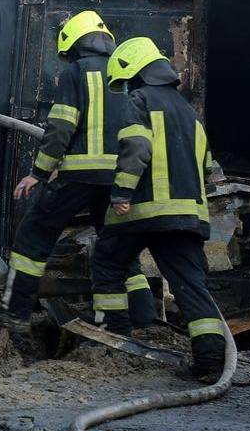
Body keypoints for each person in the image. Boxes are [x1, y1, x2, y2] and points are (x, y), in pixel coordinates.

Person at [4, 11, 157, 323]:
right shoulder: (127, 74)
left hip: (80, 177)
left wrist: (39, 173)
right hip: (118, 181)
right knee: (119, 251)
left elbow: (61, 127)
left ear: (74, 44)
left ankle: (14, 311)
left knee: (33, 235)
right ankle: (143, 320)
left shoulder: (77, 71)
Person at [93, 36, 229, 384]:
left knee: (108, 260)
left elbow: (136, 148)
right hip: (189, 216)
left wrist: (122, 192)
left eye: (125, 82)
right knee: (190, 285)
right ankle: (211, 361)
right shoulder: (188, 112)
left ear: (135, 72)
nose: (125, 90)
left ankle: (113, 339)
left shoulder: (139, 100)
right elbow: (209, 167)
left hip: (146, 212)